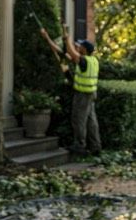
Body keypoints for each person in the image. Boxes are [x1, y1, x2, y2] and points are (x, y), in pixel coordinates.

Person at [40, 26, 101, 156]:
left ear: (84, 50)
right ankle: (95, 147)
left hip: (83, 95)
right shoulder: (92, 60)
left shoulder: (83, 61)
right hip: (90, 94)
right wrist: (47, 38)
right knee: (91, 121)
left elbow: (71, 52)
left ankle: (80, 146)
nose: (78, 47)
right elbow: (61, 52)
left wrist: (66, 36)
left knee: (78, 119)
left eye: (80, 46)